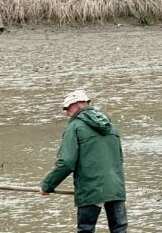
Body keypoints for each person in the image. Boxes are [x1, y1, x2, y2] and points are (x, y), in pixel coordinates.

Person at [40, 89, 128, 233]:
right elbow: (120, 158)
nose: (66, 112)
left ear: (79, 105)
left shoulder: (74, 127)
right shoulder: (110, 125)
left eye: (68, 108)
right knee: (119, 229)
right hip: (116, 187)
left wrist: (47, 185)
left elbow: (66, 162)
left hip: (90, 189)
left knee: (86, 229)